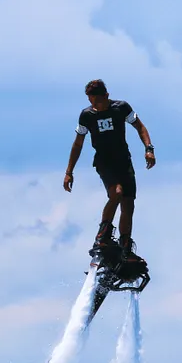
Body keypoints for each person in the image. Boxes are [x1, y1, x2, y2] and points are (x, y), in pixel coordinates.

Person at [63, 79, 155, 262]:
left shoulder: (121, 108)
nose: (94, 105)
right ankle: (103, 235)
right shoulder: (87, 116)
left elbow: (140, 127)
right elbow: (78, 143)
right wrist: (69, 171)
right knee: (117, 193)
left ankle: (125, 248)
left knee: (128, 205)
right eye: (91, 101)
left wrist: (149, 149)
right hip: (104, 162)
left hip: (124, 162)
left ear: (106, 95)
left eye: (97, 101)